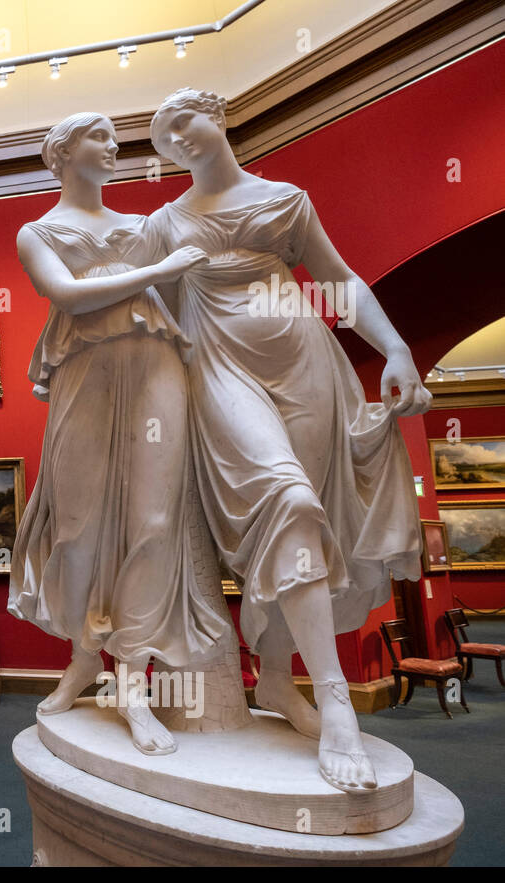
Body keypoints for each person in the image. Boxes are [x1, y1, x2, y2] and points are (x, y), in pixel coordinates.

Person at [148, 88, 428, 791]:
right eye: (163, 138)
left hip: (306, 363)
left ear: (216, 115)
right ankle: (336, 700)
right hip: (220, 369)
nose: (177, 137)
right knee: (289, 500)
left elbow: (338, 282)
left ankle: (277, 679)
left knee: (306, 523)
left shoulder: (286, 199)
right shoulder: (165, 221)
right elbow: (157, 325)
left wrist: (395, 349)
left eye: (184, 120)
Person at [7, 111, 229, 756]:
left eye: (113, 138)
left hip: (157, 364)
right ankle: (84, 659)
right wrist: (155, 274)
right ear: (62, 152)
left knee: (153, 523)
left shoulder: (144, 226)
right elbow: (68, 295)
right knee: (77, 527)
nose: (114, 148)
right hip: (84, 371)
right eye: (98, 138)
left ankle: (133, 683)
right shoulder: (38, 231)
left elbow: (206, 287)